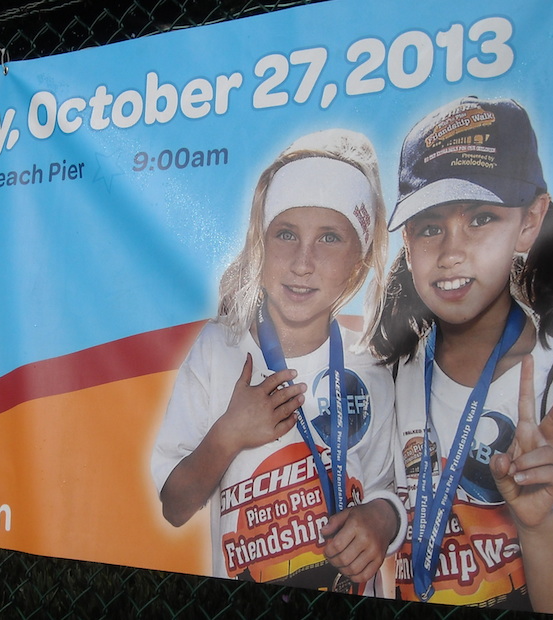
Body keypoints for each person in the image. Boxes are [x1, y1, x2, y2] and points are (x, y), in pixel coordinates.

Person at [369, 96, 553, 614]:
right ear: (408, 242)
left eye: (481, 218)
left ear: (530, 222)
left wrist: (536, 525)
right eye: (430, 226)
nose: (451, 252)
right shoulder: (397, 375)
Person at [151, 128, 405, 595]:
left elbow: (391, 488)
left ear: (359, 260)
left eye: (329, 238)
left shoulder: (371, 367)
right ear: (261, 245)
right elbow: (174, 504)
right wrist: (229, 434)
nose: (302, 262)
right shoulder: (219, 350)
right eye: (286, 234)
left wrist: (382, 518)